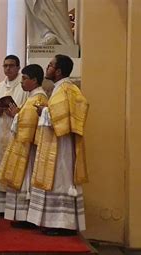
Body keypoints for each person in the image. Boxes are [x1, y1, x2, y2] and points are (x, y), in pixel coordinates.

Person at [27, 54, 89, 236]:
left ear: (59, 70)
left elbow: (78, 108)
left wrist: (44, 111)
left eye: (51, 65)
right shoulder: (59, 89)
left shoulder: (67, 89)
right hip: (53, 142)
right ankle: (54, 222)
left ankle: (64, 224)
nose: (48, 67)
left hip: (62, 146)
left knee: (61, 180)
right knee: (54, 180)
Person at [0, 64, 48, 228]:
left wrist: (16, 115)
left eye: (25, 79)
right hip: (24, 147)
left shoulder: (38, 98)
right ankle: (24, 216)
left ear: (34, 80)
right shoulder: (32, 97)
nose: (22, 82)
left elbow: (30, 123)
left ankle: (27, 218)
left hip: (29, 150)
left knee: (26, 181)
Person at [0, 55, 29, 215]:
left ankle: (12, 207)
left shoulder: (23, 86)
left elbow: (27, 110)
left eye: (11, 66)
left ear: (18, 67)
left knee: (13, 166)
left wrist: (16, 113)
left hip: (14, 132)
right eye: (5, 66)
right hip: (0, 132)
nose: (7, 69)